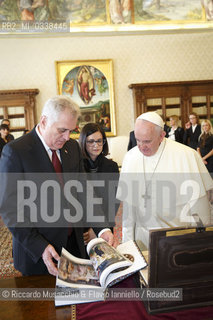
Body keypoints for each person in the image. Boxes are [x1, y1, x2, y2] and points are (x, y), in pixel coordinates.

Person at [0, 96, 115, 277]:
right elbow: (10, 209)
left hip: (74, 245)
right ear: (44, 121)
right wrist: (40, 246)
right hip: (40, 251)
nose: (67, 137)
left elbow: (84, 191)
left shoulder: (72, 148)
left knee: (77, 302)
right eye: (62, 130)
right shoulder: (16, 152)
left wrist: (103, 228)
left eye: (71, 130)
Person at [117, 111, 213, 250]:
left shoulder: (186, 156)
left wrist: (201, 245)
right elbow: (128, 211)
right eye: (138, 140)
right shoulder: (131, 157)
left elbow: (199, 209)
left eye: (147, 141)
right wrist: (128, 247)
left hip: (179, 241)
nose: (141, 146)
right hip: (143, 241)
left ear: (162, 135)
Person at [79, 122, 119, 244]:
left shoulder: (111, 166)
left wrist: (99, 229)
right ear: (83, 142)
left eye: (99, 141)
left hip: (105, 224)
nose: (96, 145)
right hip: (82, 227)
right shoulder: (77, 165)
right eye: (91, 141)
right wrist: (89, 228)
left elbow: (113, 203)